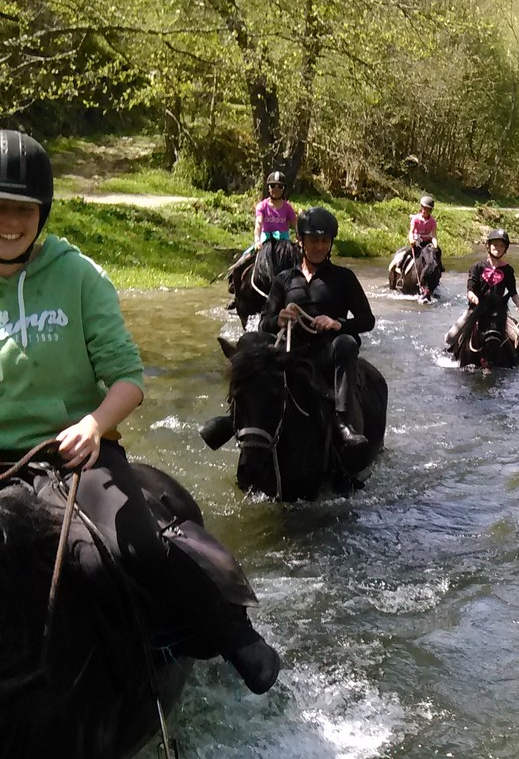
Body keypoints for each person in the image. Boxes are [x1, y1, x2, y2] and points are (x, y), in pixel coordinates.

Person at [0, 130, 280, 694]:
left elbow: (128, 377)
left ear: (43, 213)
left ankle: (228, 633)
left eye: (22, 210)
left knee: (131, 551)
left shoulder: (78, 276)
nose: (9, 222)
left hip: (72, 453)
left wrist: (93, 424)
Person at [259, 206, 375, 449]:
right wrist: (279, 318)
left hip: (327, 352)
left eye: (325, 241)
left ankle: (344, 423)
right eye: (314, 240)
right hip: (291, 353)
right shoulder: (284, 279)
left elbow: (367, 320)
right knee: (249, 344)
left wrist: (338, 323)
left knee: (347, 343)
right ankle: (243, 424)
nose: (320, 247)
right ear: (301, 241)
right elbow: (264, 322)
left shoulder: (344, 278)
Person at [466, 228, 519, 366]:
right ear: (488, 246)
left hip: (498, 313)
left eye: (501, 246)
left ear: (505, 249)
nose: (498, 248)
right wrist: (474, 298)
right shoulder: (477, 267)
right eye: (495, 245)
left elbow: (513, 291)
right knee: (452, 335)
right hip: (477, 311)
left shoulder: (508, 270)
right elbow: (470, 289)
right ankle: (452, 357)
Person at [406, 194, 443, 302]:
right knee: (406, 256)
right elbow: (411, 232)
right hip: (417, 242)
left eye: (427, 209)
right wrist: (412, 240)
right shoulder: (416, 219)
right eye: (423, 208)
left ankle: (438, 271)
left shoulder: (432, 222)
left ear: (430, 210)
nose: (424, 210)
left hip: (427, 243)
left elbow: (434, 236)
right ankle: (399, 269)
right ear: (421, 207)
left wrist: (435, 246)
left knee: (437, 253)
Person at [254, 170, 297, 248]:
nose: (276, 189)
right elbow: (259, 223)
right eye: (273, 186)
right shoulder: (262, 206)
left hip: (284, 242)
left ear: (284, 189)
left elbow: (296, 225)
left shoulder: (288, 208)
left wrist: (300, 238)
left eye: (280, 187)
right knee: (246, 257)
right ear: (268, 188)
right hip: (265, 241)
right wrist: (257, 240)